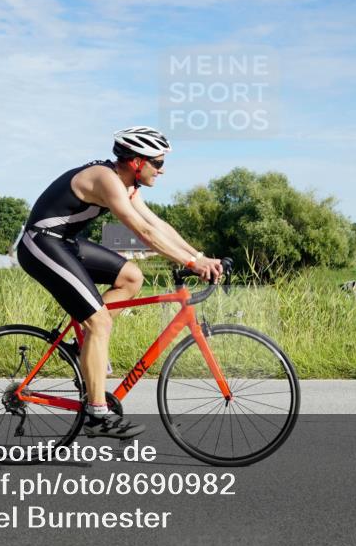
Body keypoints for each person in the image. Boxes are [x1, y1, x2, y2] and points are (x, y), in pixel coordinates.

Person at [16, 127, 222, 439]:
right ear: (137, 162)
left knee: (131, 277)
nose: (162, 169)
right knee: (100, 322)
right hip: (40, 244)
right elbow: (144, 233)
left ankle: (82, 346)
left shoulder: (126, 185)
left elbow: (157, 224)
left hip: (65, 242)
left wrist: (200, 256)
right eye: (157, 162)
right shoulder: (106, 179)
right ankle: (97, 413)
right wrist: (192, 264)